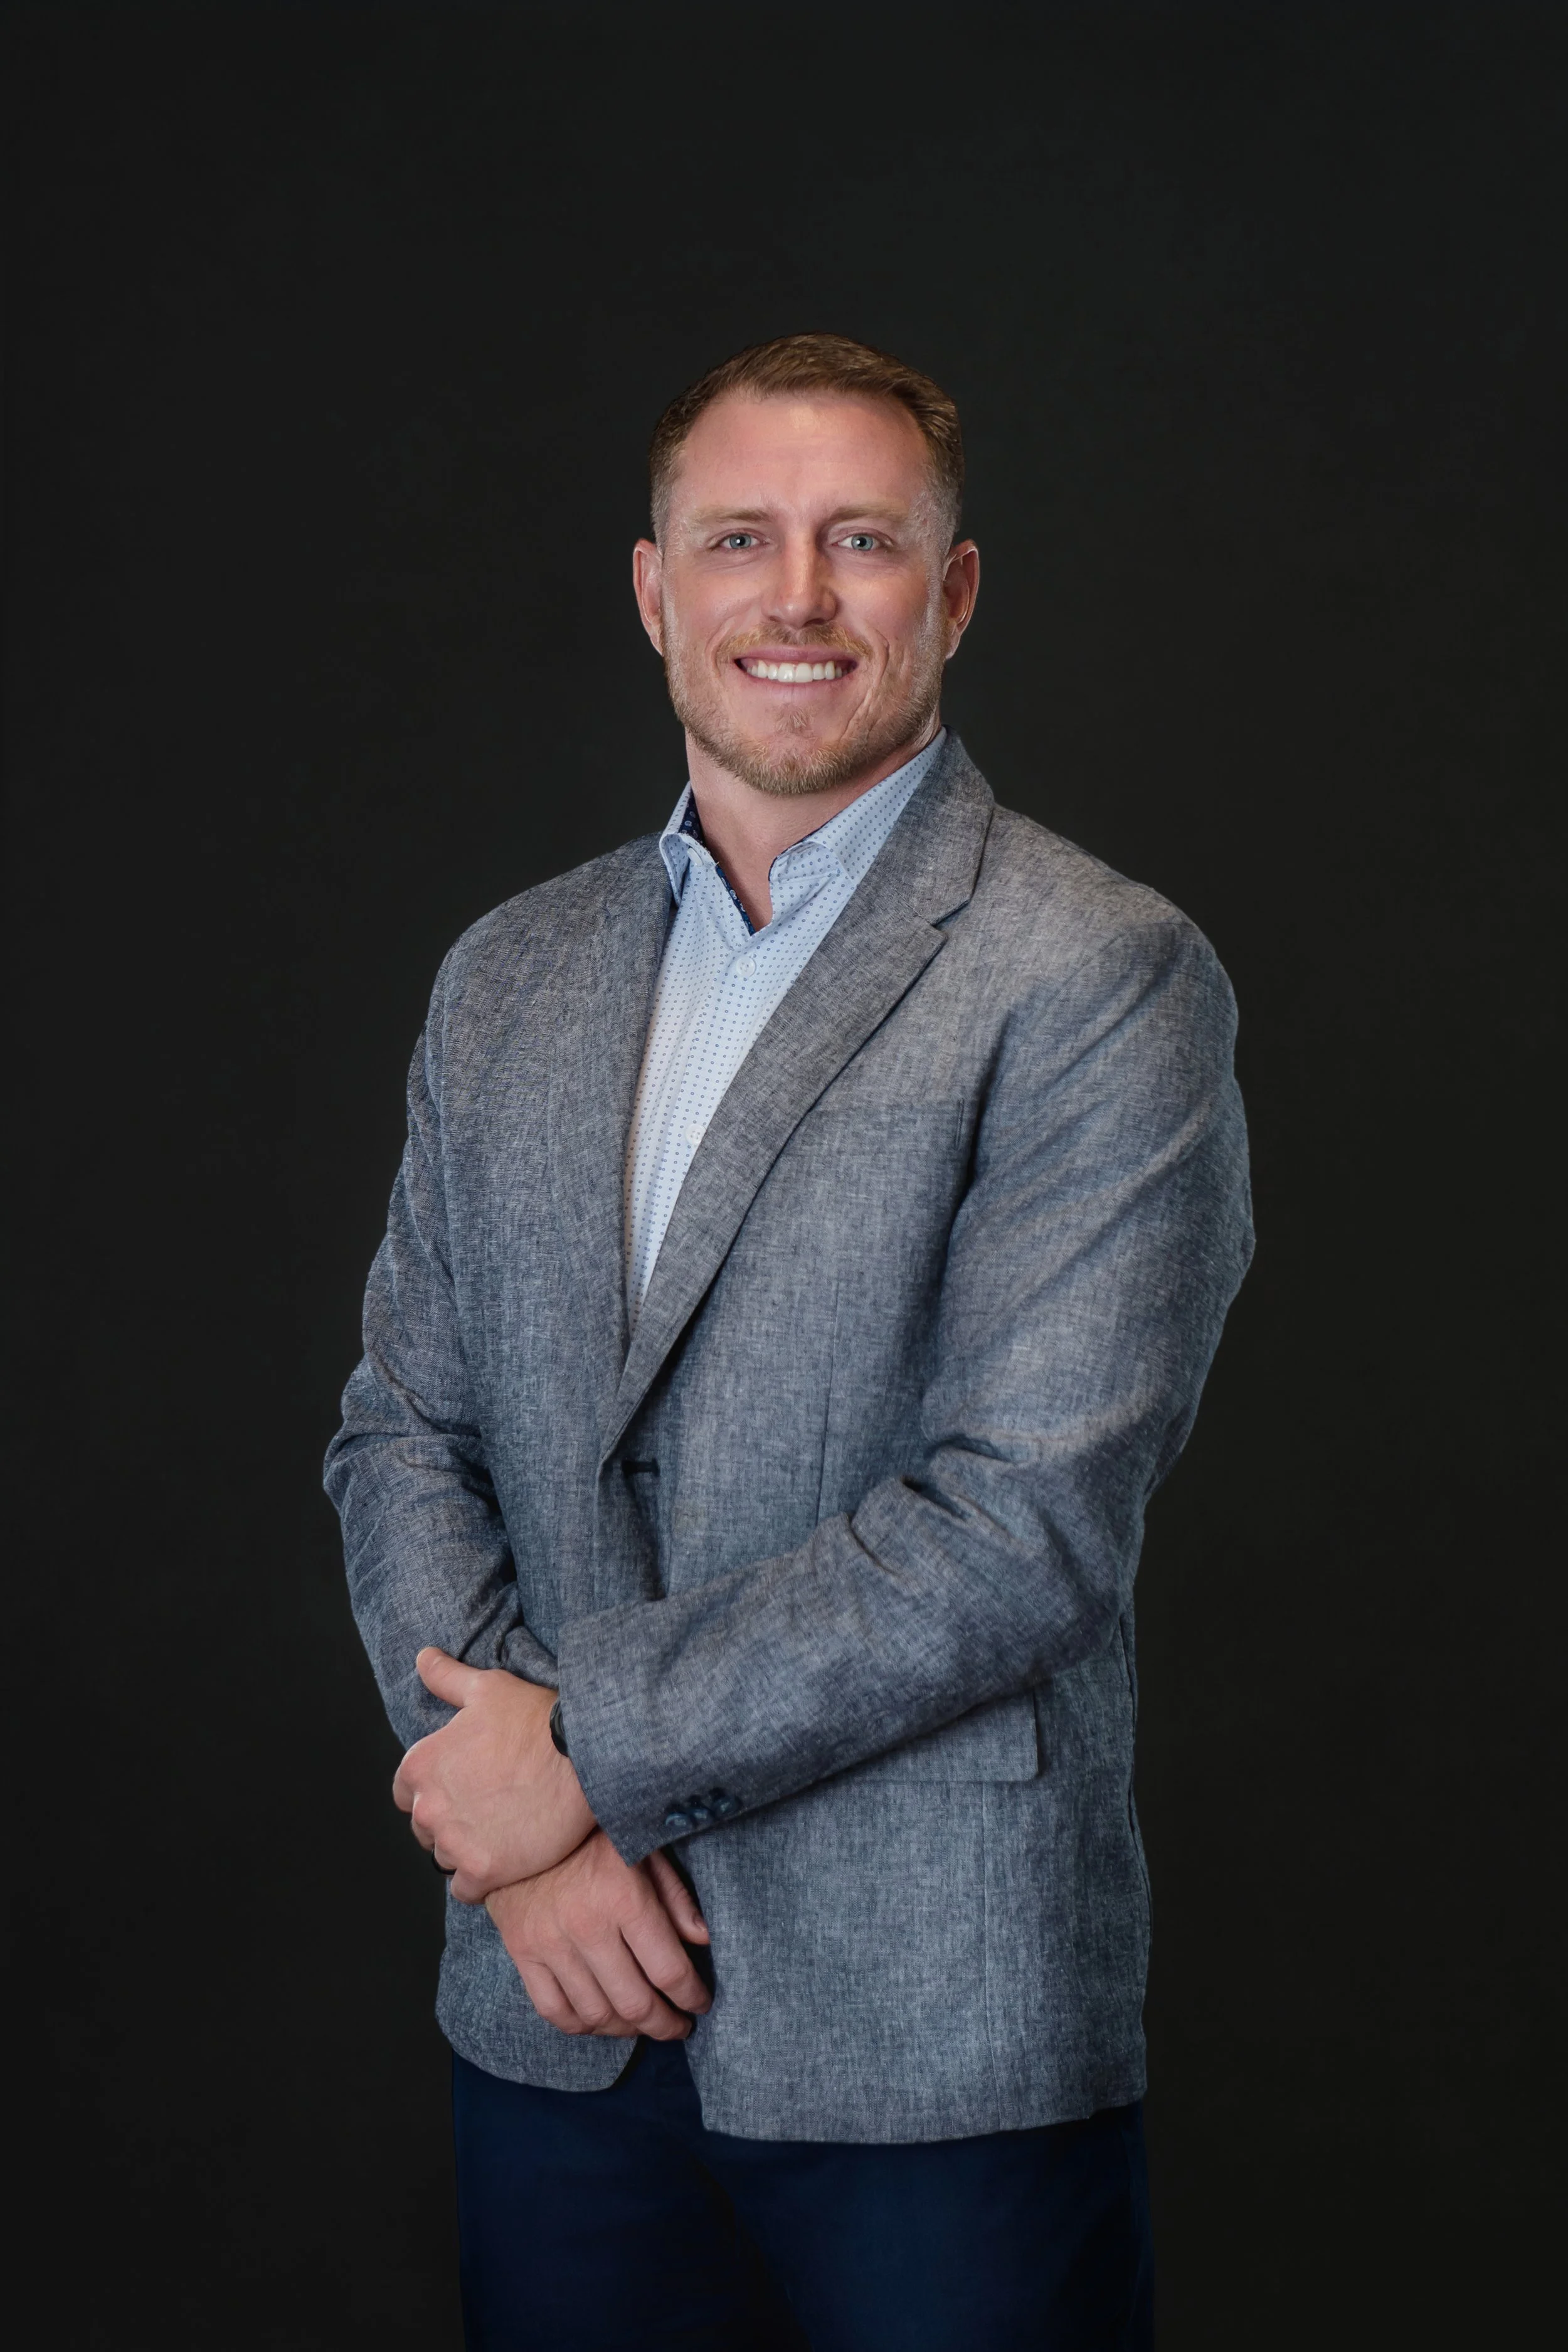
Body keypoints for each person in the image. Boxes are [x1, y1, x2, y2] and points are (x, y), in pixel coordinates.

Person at [325, 331, 1253, 2349]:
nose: (798, 595)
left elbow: (1021, 1526)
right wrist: (520, 1848)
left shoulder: (1095, 978)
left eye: (863, 541)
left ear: (956, 589)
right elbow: (405, 1426)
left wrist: (574, 1758)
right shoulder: (509, 975)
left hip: (932, 2044)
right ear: (657, 591)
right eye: (739, 539)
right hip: (551, 2012)